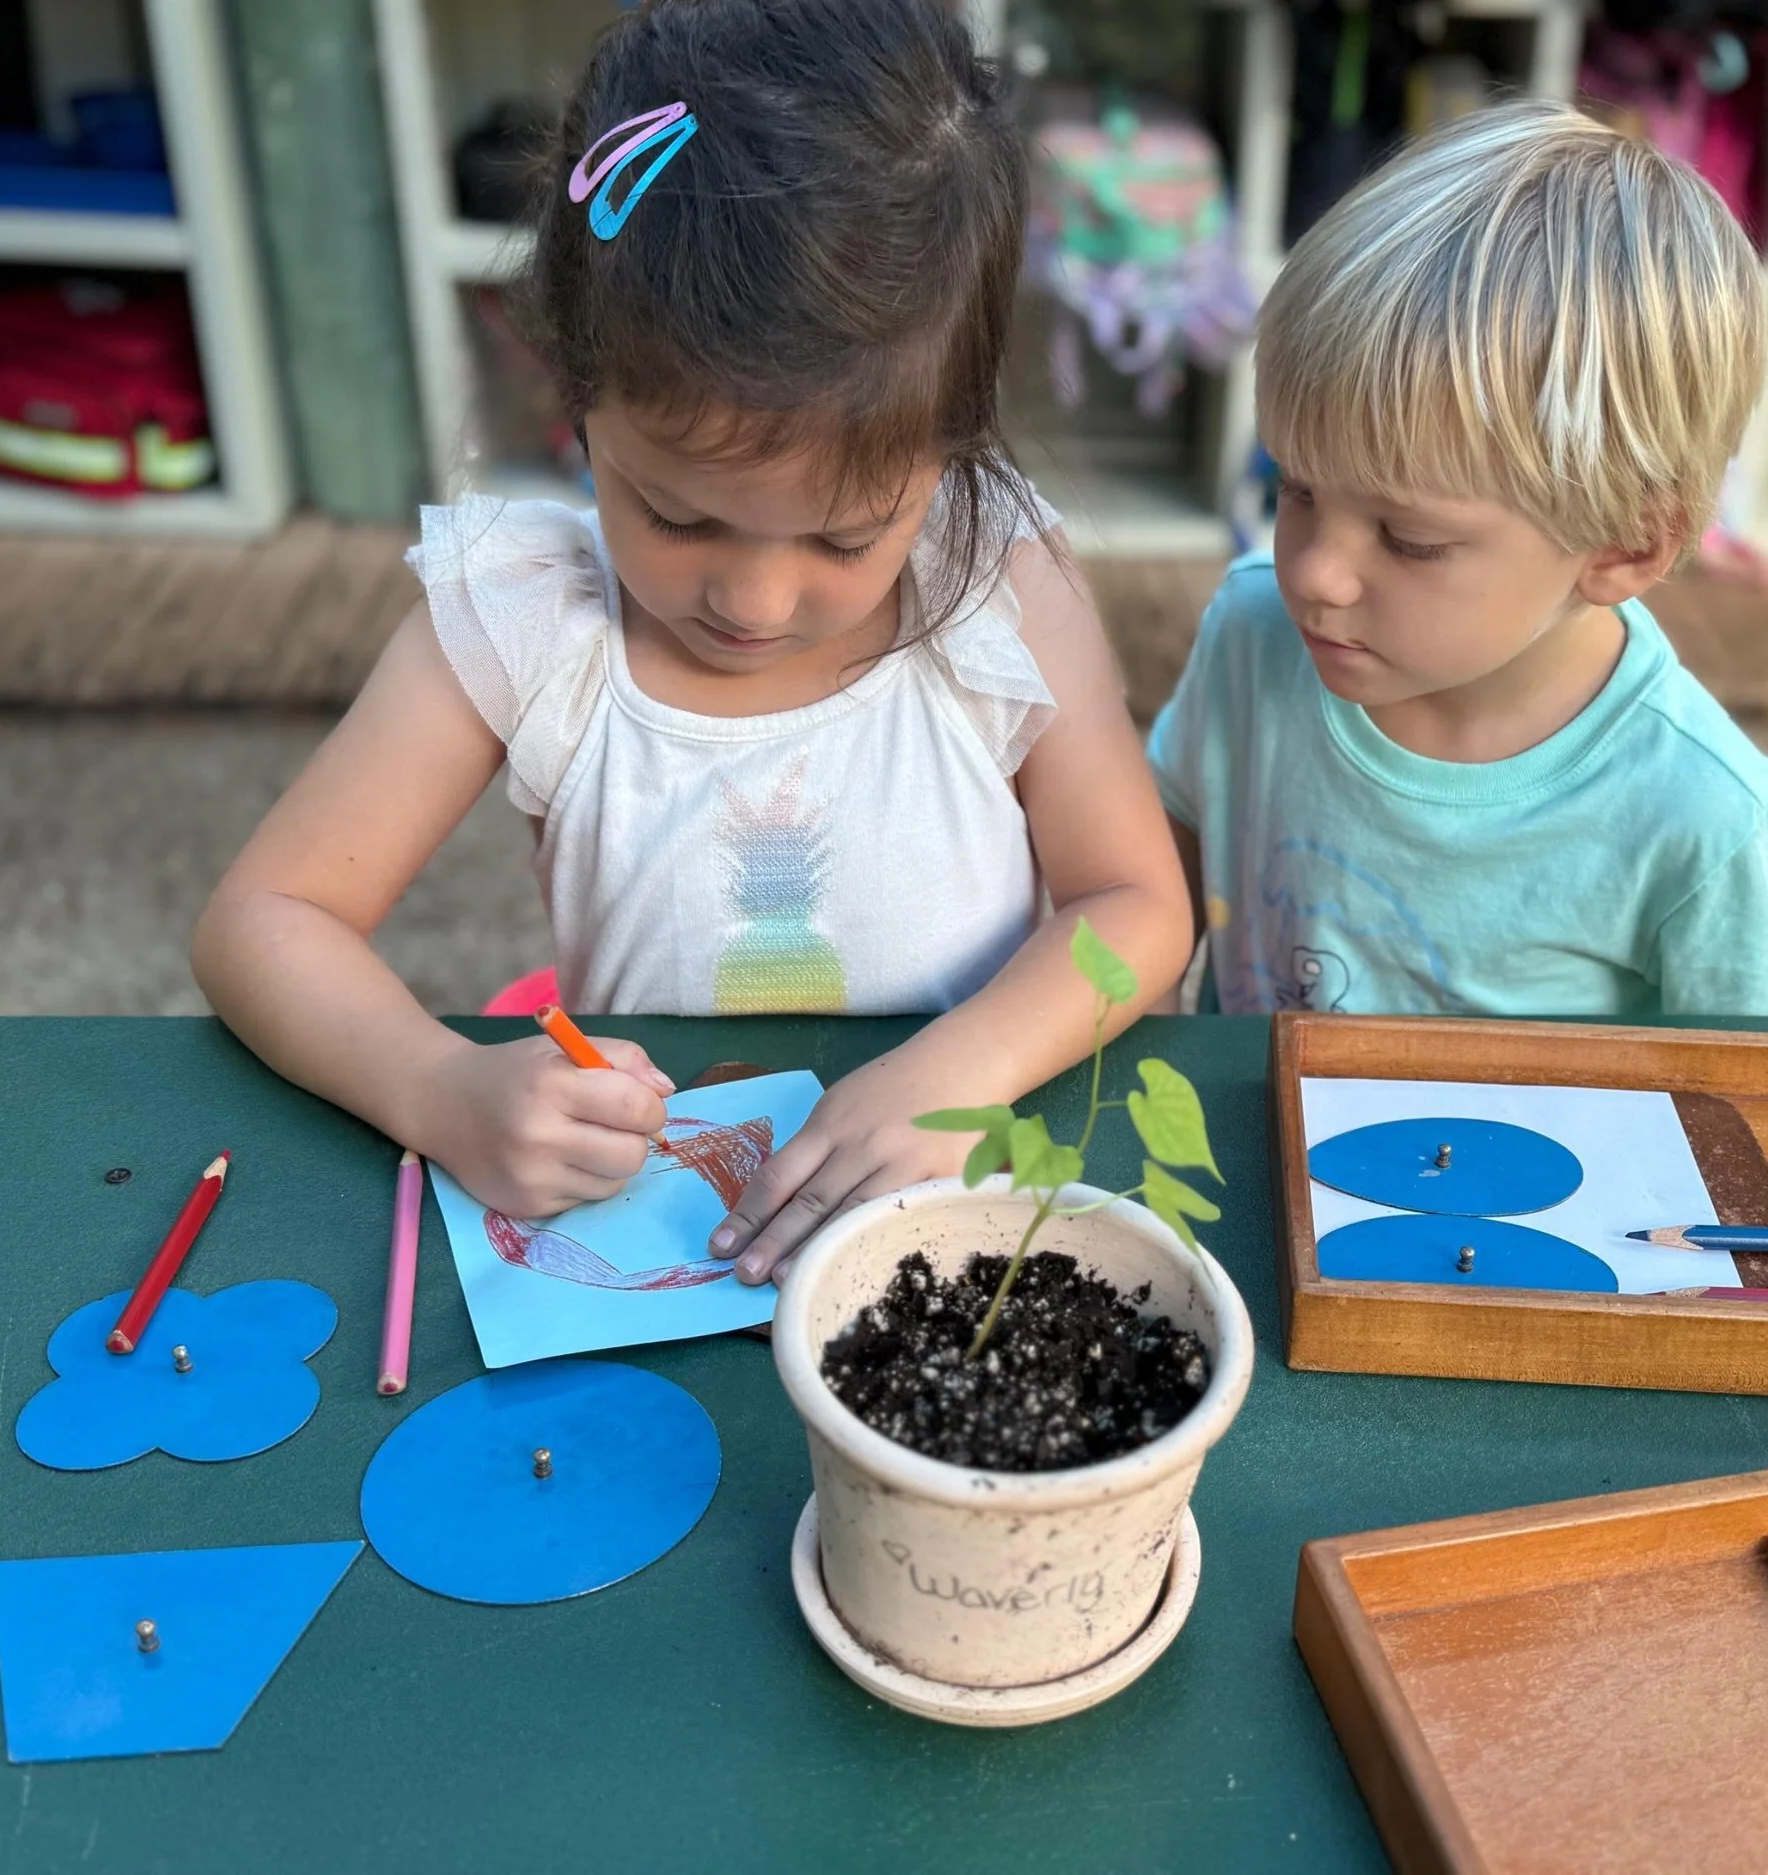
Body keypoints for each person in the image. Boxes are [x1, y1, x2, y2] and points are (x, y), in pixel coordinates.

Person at [193, 0, 1187, 1282]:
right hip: (647, 1234)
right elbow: (264, 919)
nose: (755, 604)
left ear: (951, 452)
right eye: (675, 514)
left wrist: (966, 1068)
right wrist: (440, 1090)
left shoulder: (996, 583)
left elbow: (1138, 904)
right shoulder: (532, 620)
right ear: (578, 402)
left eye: (843, 541)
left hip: (948, 1207)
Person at [1149, 103, 1768, 1018]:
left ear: (1626, 543)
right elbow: (1138, 913)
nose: (1312, 573)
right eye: (1295, 489)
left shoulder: (1695, 814)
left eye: (1410, 538)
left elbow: (1757, 1107)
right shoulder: (1252, 639)